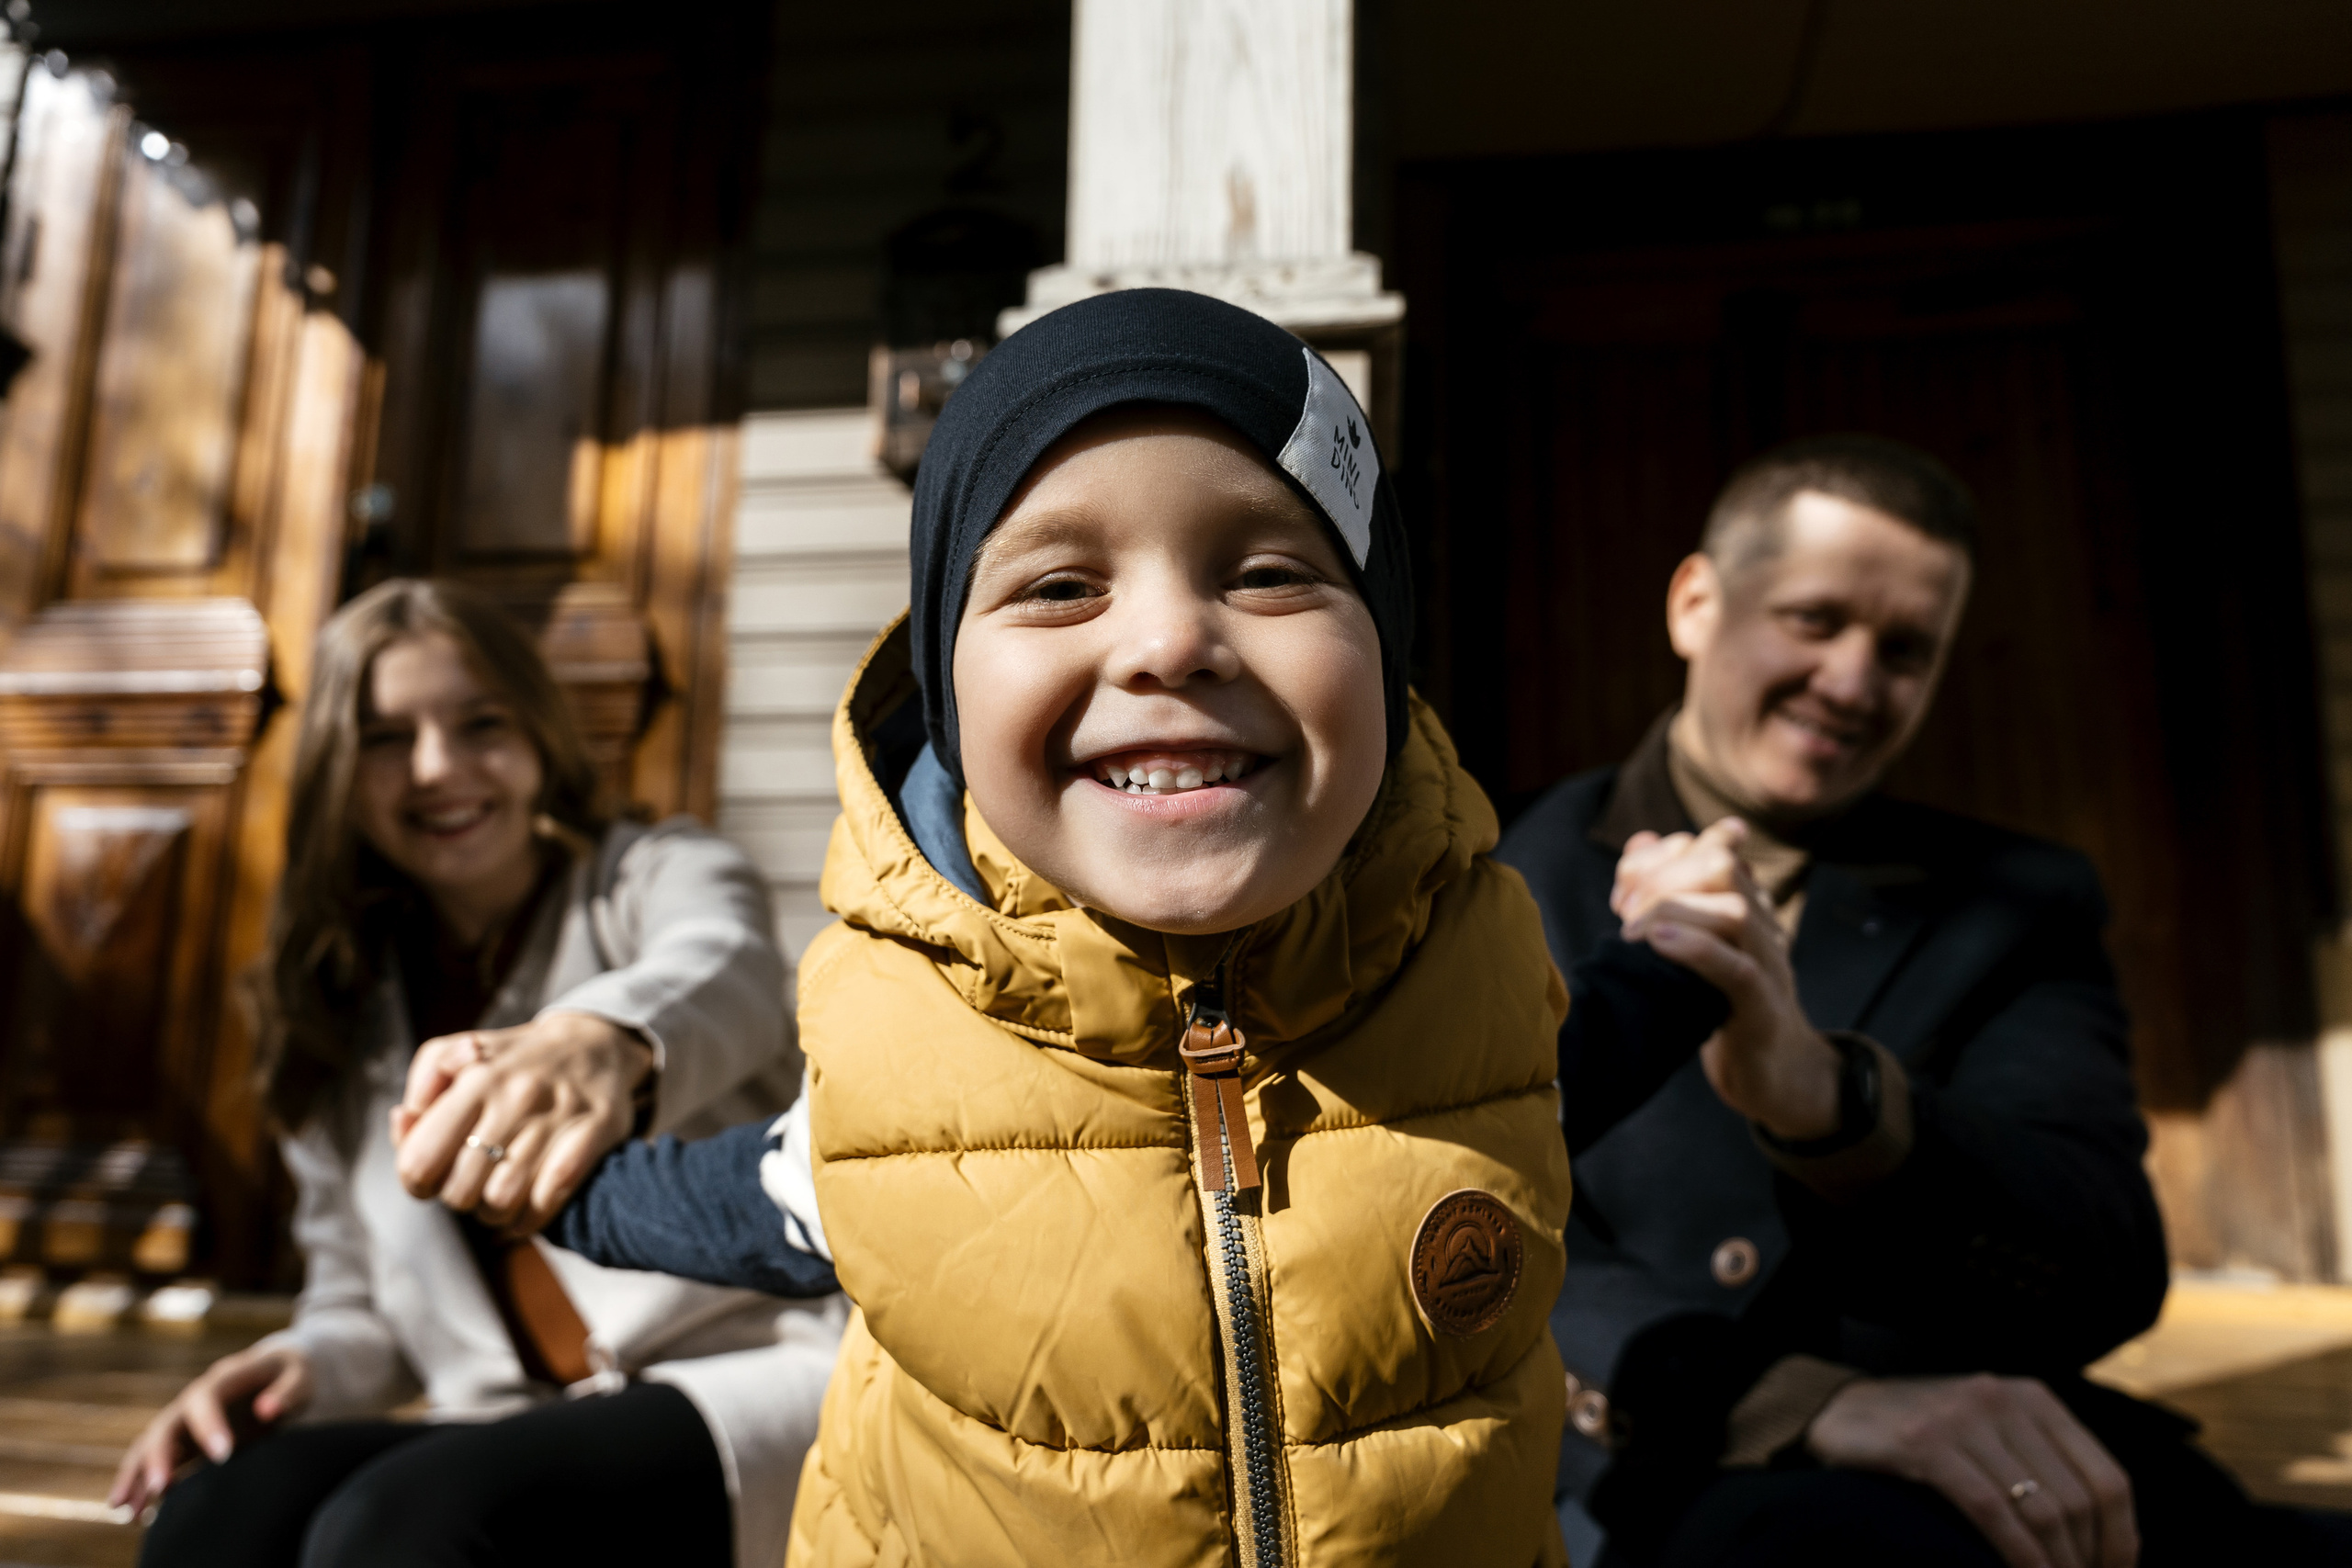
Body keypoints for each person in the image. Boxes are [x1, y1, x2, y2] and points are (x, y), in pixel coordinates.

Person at [528, 287, 1577, 1565]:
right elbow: (737, 1196)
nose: (1171, 640)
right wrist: (516, 1152)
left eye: (1268, 572)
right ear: (950, 690)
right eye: (1063, 583)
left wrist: (1712, 977)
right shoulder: (892, 1043)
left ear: (1388, 643)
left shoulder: (1492, 964)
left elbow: (1589, 1058)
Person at [1496, 436, 2346, 1567]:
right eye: (1814, 620)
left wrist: (1834, 1106)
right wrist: (1790, 1402)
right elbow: (1421, 1226)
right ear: (1695, 603)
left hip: (2006, 1483)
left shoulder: (2018, 902)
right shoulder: (1486, 879)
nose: (1852, 683)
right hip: (1630, 1483)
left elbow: (2101, 1275)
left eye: (1905, 650)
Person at [112, 579, 842, 1568]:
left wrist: (603, 1038)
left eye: (479, 724)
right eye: (384, 738)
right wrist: (294, 1365)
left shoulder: (653, 875)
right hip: (505, 1414)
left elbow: (729, 967)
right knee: (219, 1512)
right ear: (339, 772)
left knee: (399, 1527)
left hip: (748, 1380)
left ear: (539, 735)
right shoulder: (335, 1003)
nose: (437, 768)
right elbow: (362, 1309)